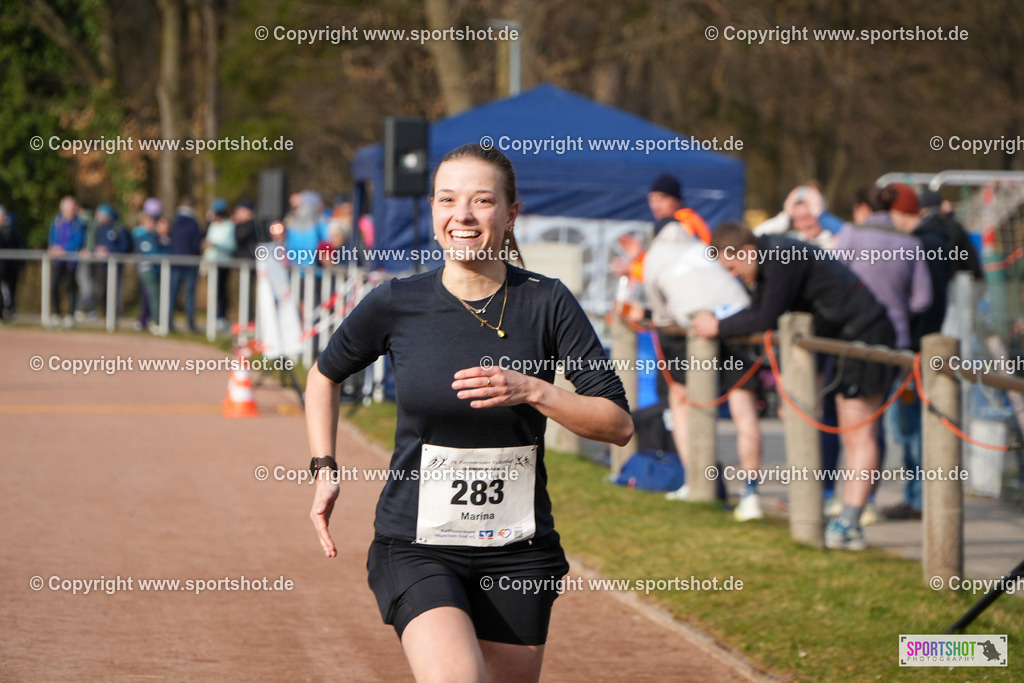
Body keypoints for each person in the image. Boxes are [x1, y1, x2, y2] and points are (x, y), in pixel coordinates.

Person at [306, 143, 632, 681]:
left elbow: (617, 425)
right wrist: (324, 467)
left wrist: (534, 390)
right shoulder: (397, 302)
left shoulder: (547, 303)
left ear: (510, 215)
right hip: (417, 543)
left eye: (482, 201)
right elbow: (325, 374)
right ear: (433, 210)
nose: (462, 215)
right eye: (447, 199)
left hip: (518, 551)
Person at [692, 223, 895, 551]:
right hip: (846, 338)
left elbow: (765, 319)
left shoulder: (781, 257)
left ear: (746, 252)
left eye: (731, 267)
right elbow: (761, 313)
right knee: (850, 433)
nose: (731, 275)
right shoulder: (770, 257)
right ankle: (847, 518)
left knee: (859, 433)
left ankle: (851, 522)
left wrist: (718, 326)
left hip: (865, 335)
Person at [643, 216, 764, 520]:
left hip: (695, 326)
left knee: (681, 402)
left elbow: (660, 314)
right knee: (744, 410)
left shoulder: (653, 257)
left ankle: (695, 481)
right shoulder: (699, 246)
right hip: (739, 319)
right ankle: (751, 496)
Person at [47, 196, 86, 327]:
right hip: (58, 260)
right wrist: (53, 247)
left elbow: (78, 240)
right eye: (68, 208)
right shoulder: (57, 220)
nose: (71, 210)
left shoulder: (78, 223)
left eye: (72, 207)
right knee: (54, 286)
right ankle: (57, 314)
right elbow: (52, 237)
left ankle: (71, 315)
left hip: (71, 260)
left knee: (71, 286)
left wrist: (64, 249)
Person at [132, 199, 168, 332]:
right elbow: (152, 253)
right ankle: (156, 322)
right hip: (148, 269)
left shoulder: (153, 235)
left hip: (155, 270)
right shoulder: (142, 235)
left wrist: (162, 236)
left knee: (149, 296)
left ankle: (144, 320)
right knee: (152, 296)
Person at [169, 196, 203, 333]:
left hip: (175, 263)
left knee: (172, 293)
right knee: (189, 295)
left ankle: (168, 322)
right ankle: (190, 324)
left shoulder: (174, 221)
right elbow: (196, 244)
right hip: (190, 264)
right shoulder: (193, 223)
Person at [92, 204, 132, 318]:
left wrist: (109, 251)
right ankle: (105, 313)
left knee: (114, 289)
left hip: (115, 266)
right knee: (102, 289)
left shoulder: (119, 228)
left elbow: (125, 247)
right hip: (102, 265)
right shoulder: (100, 228)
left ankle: (114, 314)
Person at [203, 198, 236, 331]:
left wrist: (215, 245)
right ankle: (213, 317)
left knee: (221, 291)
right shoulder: (212, 225)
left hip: (222, 263)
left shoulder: (229, 226)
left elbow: (230, 245)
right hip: (210, 262)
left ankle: (222, 317)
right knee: (213, 292)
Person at [0, 206, 25, 321]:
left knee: (9, 289)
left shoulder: (12, 230)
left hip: (9, 267)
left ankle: (8, 310)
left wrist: (21, 264)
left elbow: (20, 246)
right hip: (4, 267)